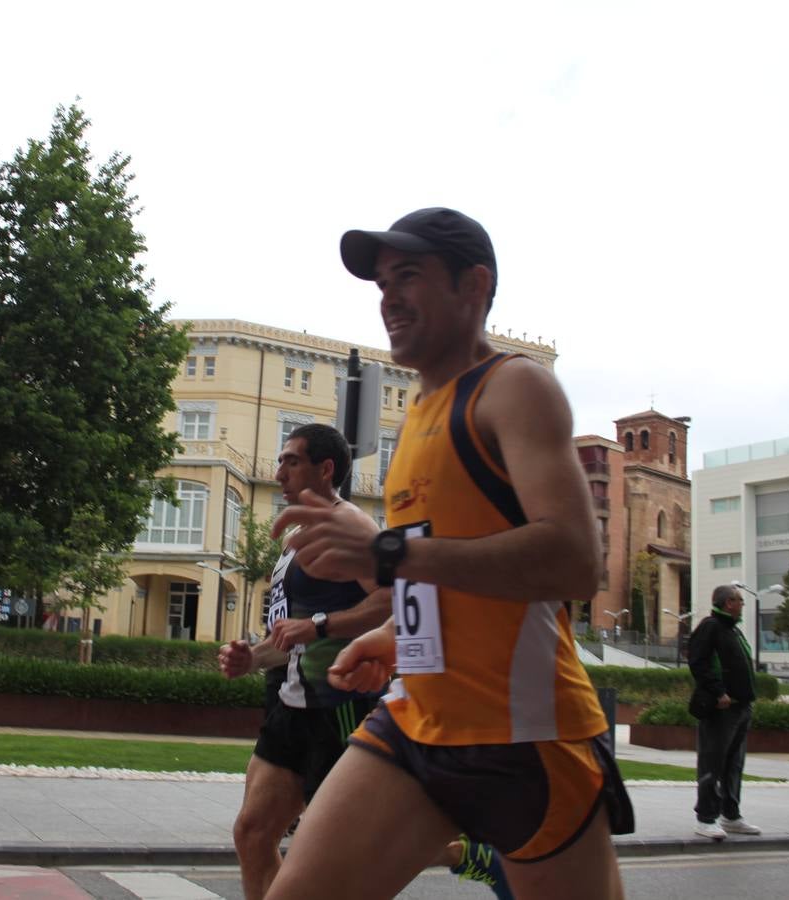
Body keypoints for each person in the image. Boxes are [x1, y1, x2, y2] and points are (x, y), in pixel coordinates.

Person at [261, 208, 633, 900]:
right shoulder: (421, 414)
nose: (388, 299)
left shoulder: (516, 388)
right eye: (380, 284)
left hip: (525, 736)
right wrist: (391, 634)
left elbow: (576, 560)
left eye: (408, 277)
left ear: (475, 285)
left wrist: (386, 554)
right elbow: (444, 567)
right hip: (413, 721)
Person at [217, 423, 394, 900]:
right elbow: (289, 636)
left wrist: (319, 626)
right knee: (252, 833)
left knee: (332, 857)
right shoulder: (295, 536)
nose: (278, 472)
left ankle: (461, 852)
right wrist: (250, 658)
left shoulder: (353, 527)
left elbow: (391, 603)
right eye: (279, 461)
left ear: (325, 468)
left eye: (291, 461)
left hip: (340, 708)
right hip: (292, 705)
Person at [687, 584, 762, 841]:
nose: (742, 604)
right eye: (739, 600)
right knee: (713, 762)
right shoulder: (711, 627)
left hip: (741, 707)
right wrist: (719, 693)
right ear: (728, 602)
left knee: (734, 764)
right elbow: (698, 661)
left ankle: (730, 815)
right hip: (722, 709)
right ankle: (705, 817)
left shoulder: (733, 630)